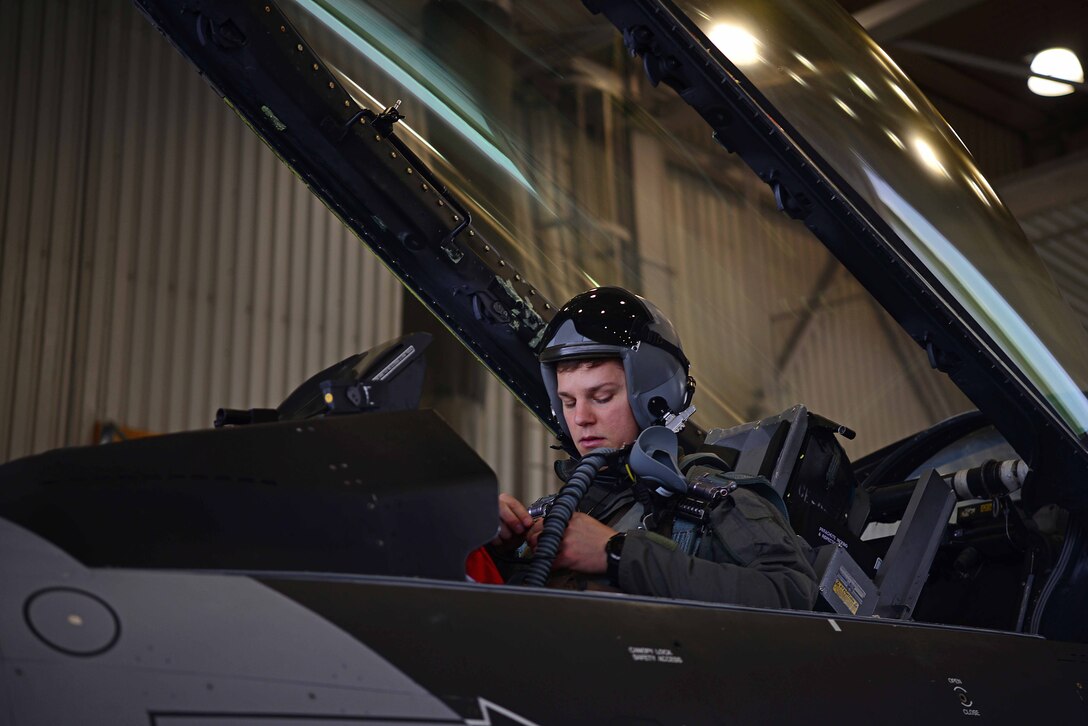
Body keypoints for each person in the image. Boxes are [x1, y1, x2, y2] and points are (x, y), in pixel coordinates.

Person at [493, 286, 818, 610]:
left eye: (602, 397)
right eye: (568, 401)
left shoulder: (717, 501)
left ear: (654, 399)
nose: (580, 418)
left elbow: (791, 593)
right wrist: (497, 550)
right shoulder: (559, 509)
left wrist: (617, 554)